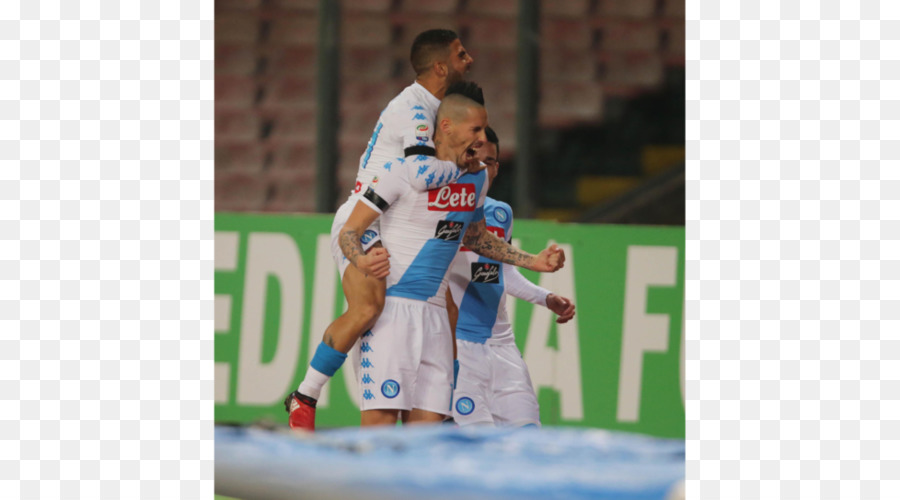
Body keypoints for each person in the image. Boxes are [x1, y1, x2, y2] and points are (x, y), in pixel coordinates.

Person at [285, 29, 481, 431]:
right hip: (364, 220)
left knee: (442, 302)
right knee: (370, 306)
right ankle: (305, 395)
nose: (470, 60)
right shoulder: (413, 110)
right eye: (461, 54)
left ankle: (439, 402)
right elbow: (421, 173)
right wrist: (463, 167)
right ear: (440, 66)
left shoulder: (435, 109)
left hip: (393, 219)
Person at [339, 88, 567, 427]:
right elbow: (350, 230)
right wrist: (360, 262)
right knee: (383, 435)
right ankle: (307, 395)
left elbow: (479, 248)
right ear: (446, 127)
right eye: (476, 130)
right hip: (405, 316)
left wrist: (533, 264)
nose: (480, 140)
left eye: (484, 135)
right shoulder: (403, 174)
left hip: (458, 330)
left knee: (434, 444)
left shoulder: (481, 190)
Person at [446, 127, 576, 427]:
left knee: (527, 440)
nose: (482, 169)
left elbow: (497, 272)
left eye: (489, 162)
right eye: (475, 160)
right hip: (458, 347)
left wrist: (546, 298)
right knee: (476, 449)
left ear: (496, 168)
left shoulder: (501, 213)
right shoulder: (441, 210)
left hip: (503, 346)